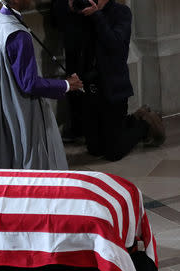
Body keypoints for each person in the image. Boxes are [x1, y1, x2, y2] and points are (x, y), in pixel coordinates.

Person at [0, 0, 84, 170]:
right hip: (18, 106)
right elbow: (29, 83)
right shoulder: (18, 35)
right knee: (31, 155)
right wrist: (66, 85)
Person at [52, 0, 165, 161]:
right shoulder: (81, 13)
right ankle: (124, 123)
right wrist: (68, 6)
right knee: (95, 149)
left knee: (113, 153)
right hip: (89, 89)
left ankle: (143, 123)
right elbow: (59, 24)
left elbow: (116, 46)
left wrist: (97, 16)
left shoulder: (121, 12)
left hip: (113, 89)